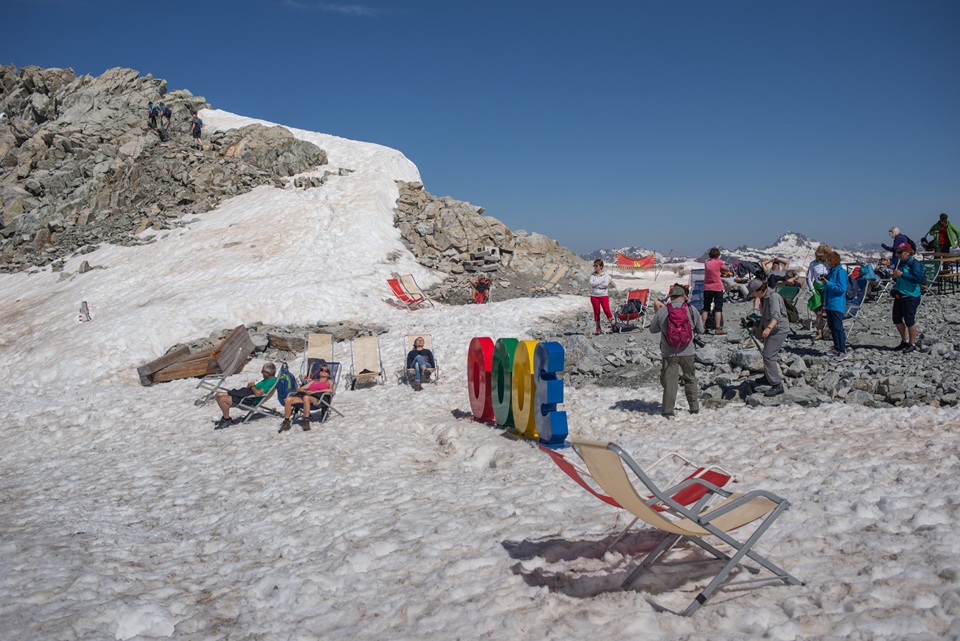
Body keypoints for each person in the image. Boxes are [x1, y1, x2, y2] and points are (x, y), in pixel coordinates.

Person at [648, 284, 704, 418]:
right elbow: (701, 330)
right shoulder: (691, 309)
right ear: (683, 296)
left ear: (671, 297)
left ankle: (668, 411)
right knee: (690, 378)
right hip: (688, 351)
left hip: (669, 353)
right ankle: (694, 408)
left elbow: (652, 330)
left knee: (670, 382)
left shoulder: (663, 311)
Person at [748, 280, 790, 397]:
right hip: (771, 329)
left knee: (768, 355)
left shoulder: (773, 297)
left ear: (759, 290)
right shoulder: (764, 297)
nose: (752, 295)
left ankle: (777, 384)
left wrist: (768, 328)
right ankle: (768, 377)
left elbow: (776, 315)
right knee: (767, 353)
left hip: (778, 329)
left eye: (753, 292)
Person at [213, 363, 277, 429]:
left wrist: (251, 386)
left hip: (248, 400)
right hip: (246, 394)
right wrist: (251, 386)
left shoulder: (271, 381)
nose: (262, 373)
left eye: (262, 371)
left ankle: (226, 419)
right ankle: (226, 418)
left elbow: (258, 394)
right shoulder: (268, 379)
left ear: (267, 373)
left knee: (221, 399)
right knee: (218, 395)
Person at [890, 242, 925, 352]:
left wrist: (902, 275)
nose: (898, 254)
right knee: (896, 319)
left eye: (900, 252)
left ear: (908, 252)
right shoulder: (900, 263)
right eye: (897, 252)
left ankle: (912, 343)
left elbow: (917, 279)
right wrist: (895, 277)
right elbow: (899, 278)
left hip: (911, 295)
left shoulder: (915, 264)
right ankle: (904, 340)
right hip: (899, 294)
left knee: (909, 320)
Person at [278, 364, 333, 432]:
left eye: (326, 370)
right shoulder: (314, 381)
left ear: (328, 375)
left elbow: (331, 390)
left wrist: (315, 392)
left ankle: (306, 421)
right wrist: (306, 391)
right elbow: (300, 389)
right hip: (306, 396)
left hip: (319, 398)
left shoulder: (328, 381)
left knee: (306, 398)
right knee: (288, 399)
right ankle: (286, 422)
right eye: (321, 370)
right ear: (319, 372)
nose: (323, 371)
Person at [822, 249, 849, 362]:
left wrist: (828, 283)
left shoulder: (840, 272)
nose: (828, 263)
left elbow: (842, 288)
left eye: (829, 260)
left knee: (838, 327)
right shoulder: (831, 272)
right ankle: (836, 347)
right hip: (829, 303)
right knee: (832, 326)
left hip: (837, 303)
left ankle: (842, 349)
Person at [806, 244, 831, 340]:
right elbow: (809, 278)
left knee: (829, 310)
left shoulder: (829, 263)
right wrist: (812, 289)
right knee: (818, 311)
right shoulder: (813, 264)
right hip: (817, 288)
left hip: (827, 288)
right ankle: (819, 331)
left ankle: (829, 331)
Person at [701, 247, 727, 335]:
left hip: (707, 287)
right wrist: (722, 272)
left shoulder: (706, 263)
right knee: (718, 308)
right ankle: (718, 327)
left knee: (706, 308)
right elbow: (726, 269)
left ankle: (702, 326)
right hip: (717, 287)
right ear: (718, 255)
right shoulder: (719, 262)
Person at [588, 259, 615, 335]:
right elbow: (591, 284)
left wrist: (596, 284)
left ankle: (613, 324)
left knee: (606, 310)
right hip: (594, 296)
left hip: (603, 295)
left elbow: (605, 284)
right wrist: (600, 282)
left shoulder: (606, 275)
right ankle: (598, 327)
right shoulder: (592, 275)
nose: (595, 267)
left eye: (596, 266)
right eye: (594, 265)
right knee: (596, 312)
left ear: (601, 266)